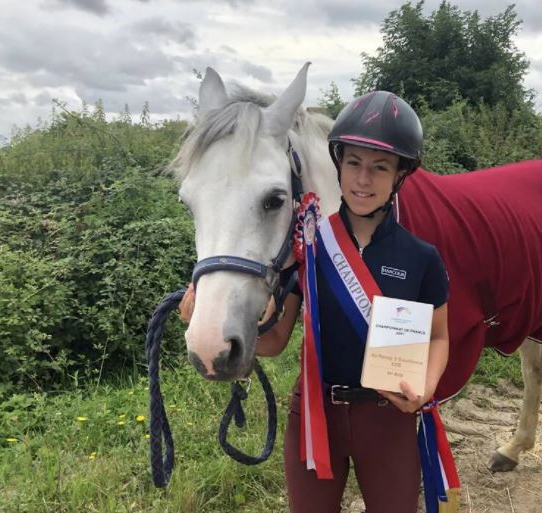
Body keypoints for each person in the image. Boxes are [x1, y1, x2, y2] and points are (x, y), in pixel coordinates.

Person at [180, 91, 450, 513]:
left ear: (399, 175)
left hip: (387, 418)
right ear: (337, 166)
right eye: (353, 164)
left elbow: (438, 337)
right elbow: (275, 341)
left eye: (379, 168)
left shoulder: (421, 258)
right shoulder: (309, 246)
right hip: (314, 414)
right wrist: (219, 320)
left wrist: (427, 387)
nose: (363, 179)